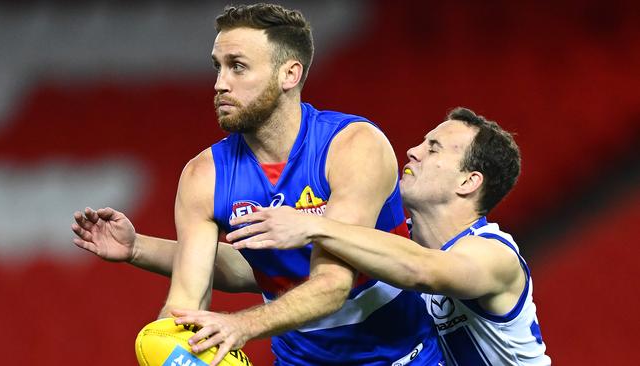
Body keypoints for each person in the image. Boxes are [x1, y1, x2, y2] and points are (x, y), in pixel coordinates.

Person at [72, 4, 443, 366]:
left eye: (237, 67)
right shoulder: (204, 176)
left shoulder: (352, 146)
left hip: (402, 357)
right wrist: (176, 343)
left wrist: (240, 325)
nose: (219, 84)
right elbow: (186, 301)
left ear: (289, 75)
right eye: (217, 67)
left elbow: (332, 285)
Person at [226, 107, 552, 365]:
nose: (412, 151)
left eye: (433, 149)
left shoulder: (495, 255)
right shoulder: (394, 246)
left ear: (468, 182)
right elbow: (269, 267)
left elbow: (423, 270)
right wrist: (180, 256)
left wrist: (314, 225)